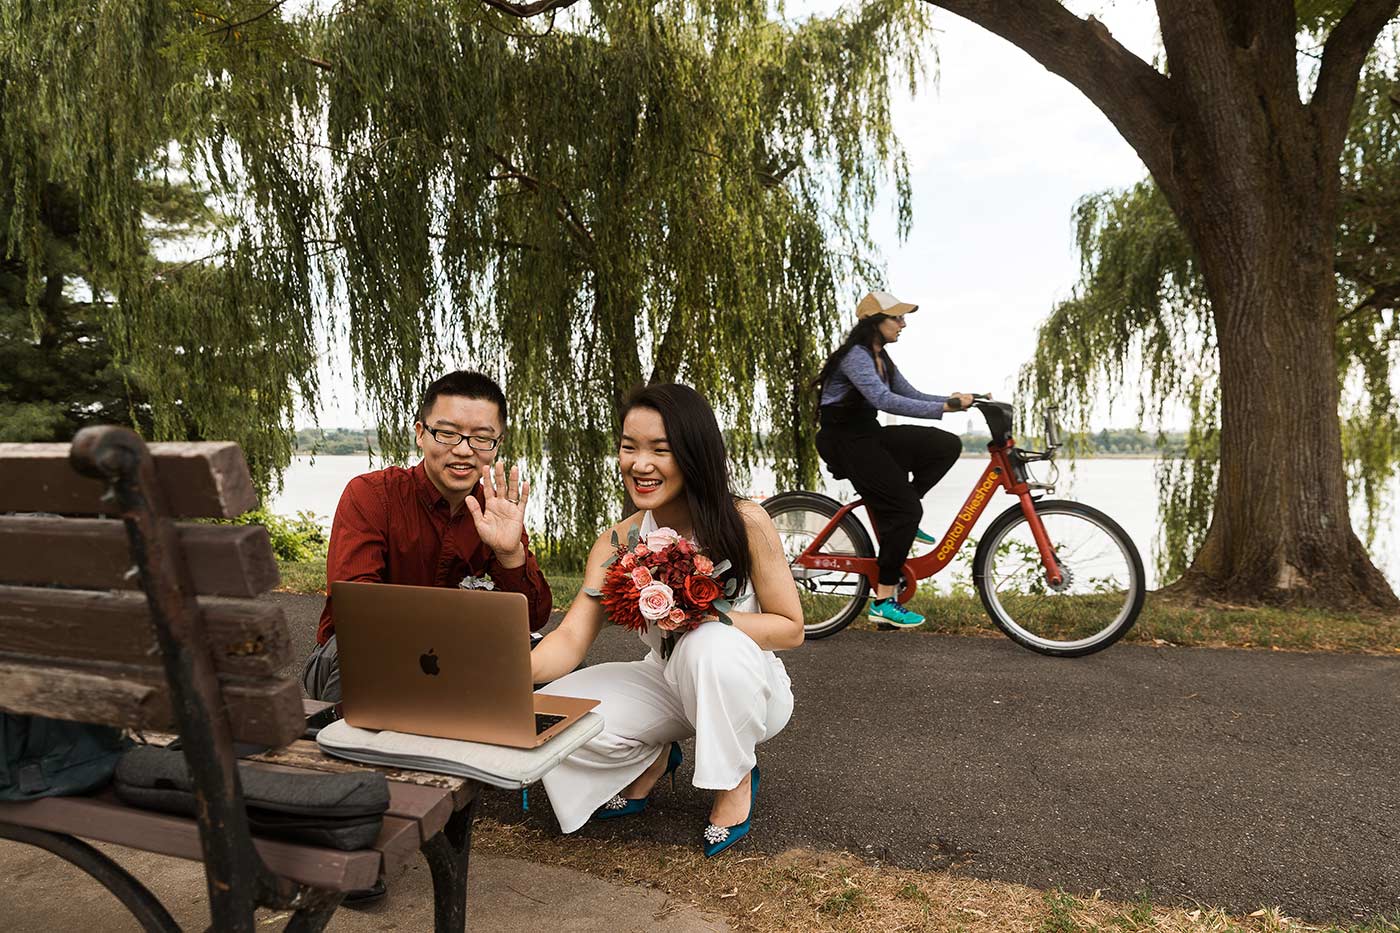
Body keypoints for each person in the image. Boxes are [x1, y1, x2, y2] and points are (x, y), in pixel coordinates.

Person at [530, 383, 802, 857]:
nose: (640, 464)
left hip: (748, 685)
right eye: (628, 447)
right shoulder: (618, 540)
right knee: (540, 718)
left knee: (707, 644)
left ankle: (735, 777)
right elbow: (572, 637)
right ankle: (652, 755)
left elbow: (789, 627)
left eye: (661, 449)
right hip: (665, 681)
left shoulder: (745, 522)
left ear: (695, 453)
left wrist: (700, 615)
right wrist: (498, 678)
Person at [301, 370, 553, 703]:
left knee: (563, 668)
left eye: (481, 438)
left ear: (497, 445)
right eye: (447, 433)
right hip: (362, 648)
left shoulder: (494, 511)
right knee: (363, 657)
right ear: (421, 434)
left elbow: (533, 619)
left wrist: (510, 555)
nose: (464, 451)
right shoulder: (372, 496)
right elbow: (356, 610)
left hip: (462, 654)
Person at [813, 290, 976, 630]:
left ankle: (901, 512)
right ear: (875, 322)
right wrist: (945, 407)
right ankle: (885, 600)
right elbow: (884, 400)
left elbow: (909, 394)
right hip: (844, 442)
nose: (903, 324)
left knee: (944, 445)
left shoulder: (881, 358)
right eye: (897, 318)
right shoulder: (855, 356)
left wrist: (955, 401)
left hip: (867, 436)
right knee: (905, 511)